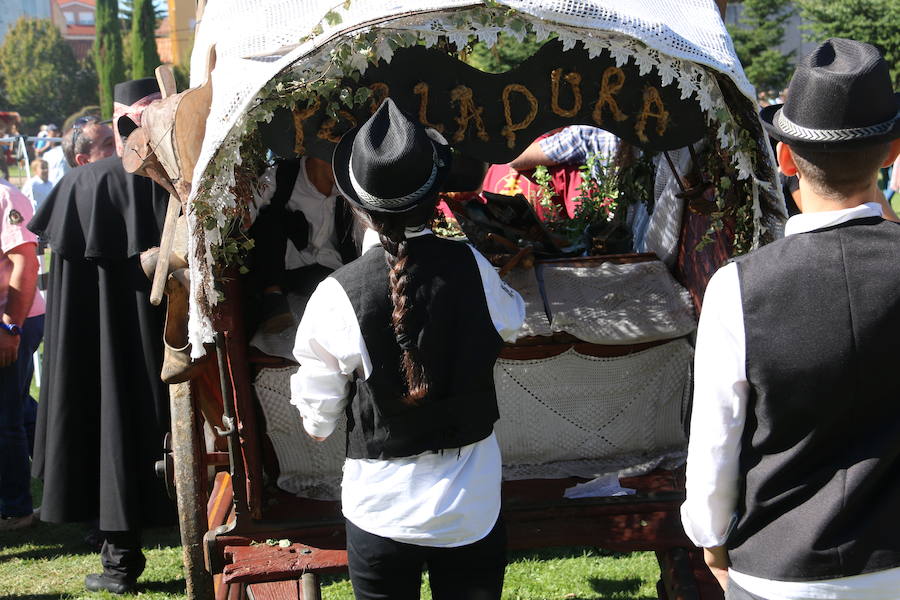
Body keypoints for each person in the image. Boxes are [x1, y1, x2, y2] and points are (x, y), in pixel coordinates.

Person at [681, 38, 900, 600]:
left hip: (778, 565)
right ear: (893, 152)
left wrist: (709, 536)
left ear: (783, 159)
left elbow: (716, 439)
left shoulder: (738, 287)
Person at [291, 99, 525, 600]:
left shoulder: (339, 292)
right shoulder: (474, 267)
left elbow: (318, 421)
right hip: (470, 506)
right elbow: (513, 322)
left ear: (356, 204)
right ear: (432, 198)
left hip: (381, 506)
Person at [28, 78, 171, 595]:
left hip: (98, 348)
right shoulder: (174, 180)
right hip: (163, 339)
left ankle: (118, 563)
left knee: (108, 427)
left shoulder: (76, 187)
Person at [249, 153, 358, 335]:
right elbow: (249, 210)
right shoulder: (281, 175)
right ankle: (273, 299)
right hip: (283, 267)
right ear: (318, 155)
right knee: (268, 221)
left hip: (329, 270)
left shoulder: (349, 189)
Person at [0, 177, 44, 531]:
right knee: (21, 407)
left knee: (5, 416)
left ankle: (17, 510)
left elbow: (26, 264)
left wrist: (9, 327)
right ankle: (68, 476)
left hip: (13, 320)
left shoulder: (5, 196)